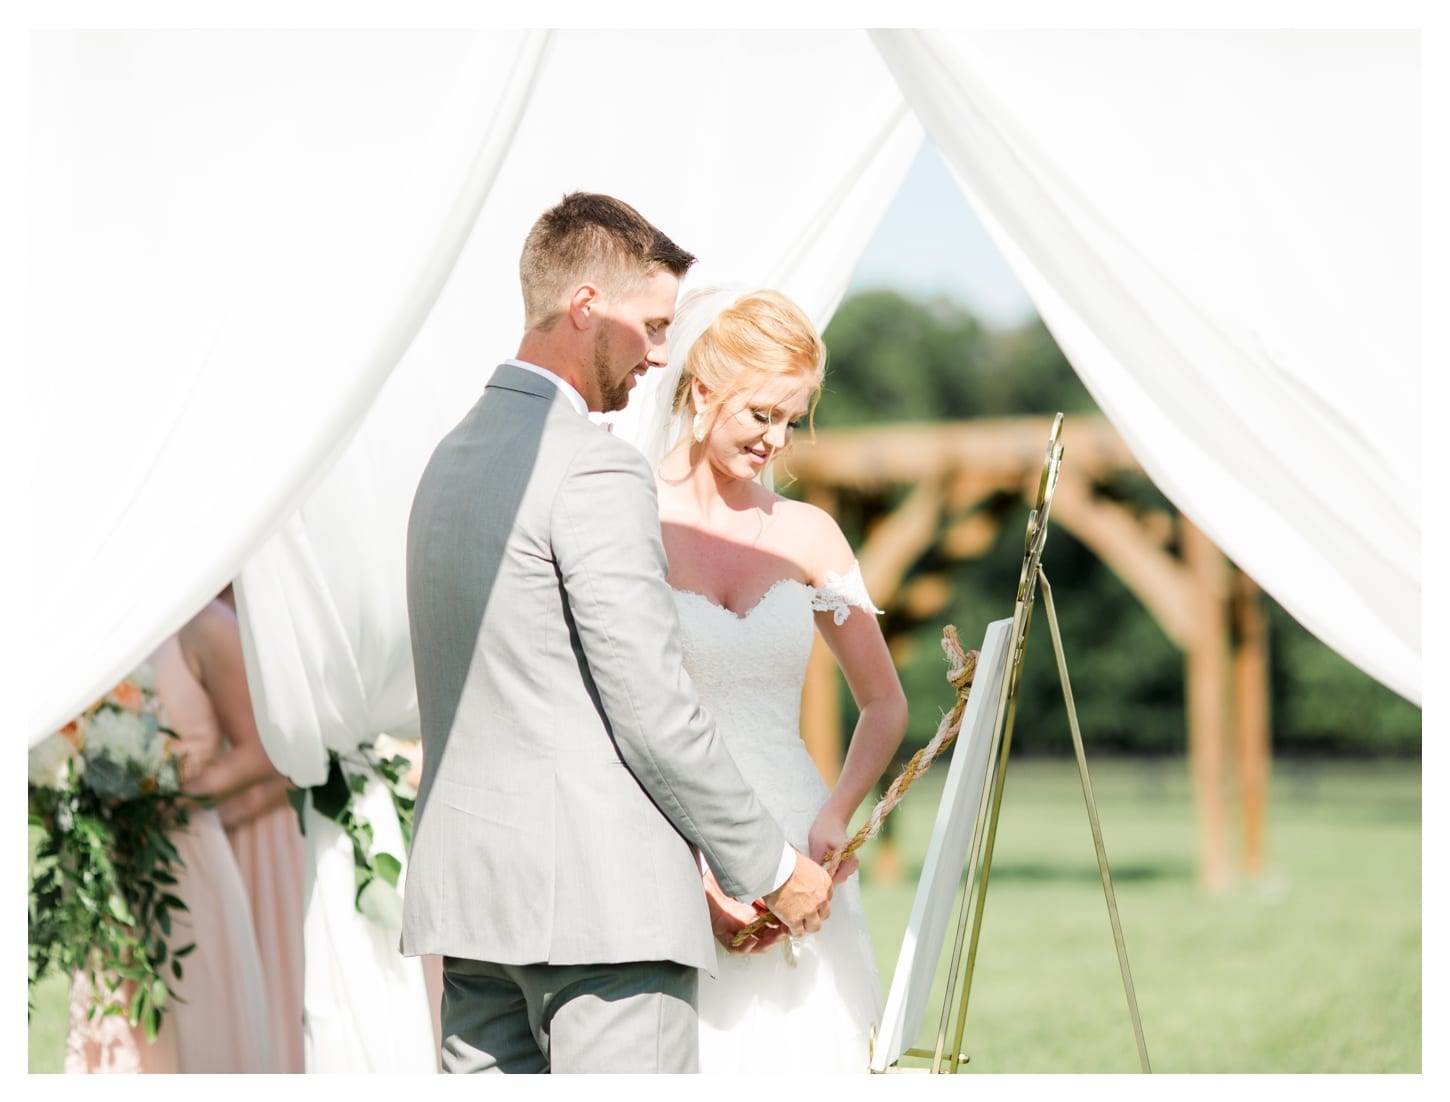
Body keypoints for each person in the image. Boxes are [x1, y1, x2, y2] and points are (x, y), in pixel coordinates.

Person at [399, 192, 834, 1074]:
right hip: (606, 920)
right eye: (653, 325)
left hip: (472, 916)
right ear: (586, 306)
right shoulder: (594, 465)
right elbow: (651, 704)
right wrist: (770, 865)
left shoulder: (447, 462)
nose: (663, 355)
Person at [612, 286, 909, 1072]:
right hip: (671, 845)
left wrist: (839, 814)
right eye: (762, 415)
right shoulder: (626, 516)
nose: (778, 440)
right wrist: (699, 872)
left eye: (793, 419)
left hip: (799, 838)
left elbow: (884, 703)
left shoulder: (810, 535)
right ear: (703, 393)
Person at [65, 613, 275, 1073]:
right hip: (106, 869)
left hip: (186, 863)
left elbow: (261, 754)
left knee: (198, 1026)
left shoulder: (204, 627)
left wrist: (168, 794)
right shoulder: (87, 630)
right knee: (116, 1023)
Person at [179, 587, 306, 1074]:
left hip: (259, 828)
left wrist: (187, 799)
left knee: (271, 982)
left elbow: (277, 753)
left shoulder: (222, 623)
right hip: (211, 829)